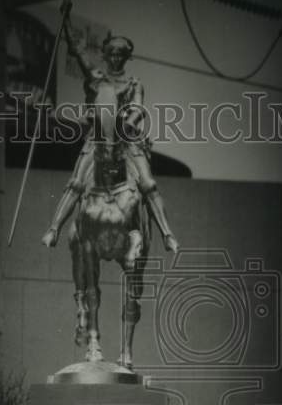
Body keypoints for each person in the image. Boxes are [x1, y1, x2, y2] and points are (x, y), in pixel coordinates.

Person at [41, 15, 179, 254]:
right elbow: (77, 49)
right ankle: (53, 228)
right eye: (112, 54)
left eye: (120, 54)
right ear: (106, 56)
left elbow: (137, 109)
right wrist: (65, 20)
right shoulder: (95, 78)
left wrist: (125, 126)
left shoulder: (134, 83)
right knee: (76, 183)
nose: (115, 58)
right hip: (97, 140)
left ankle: (167, 233)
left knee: (148, 183)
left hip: (126, 140)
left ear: (126, 57)